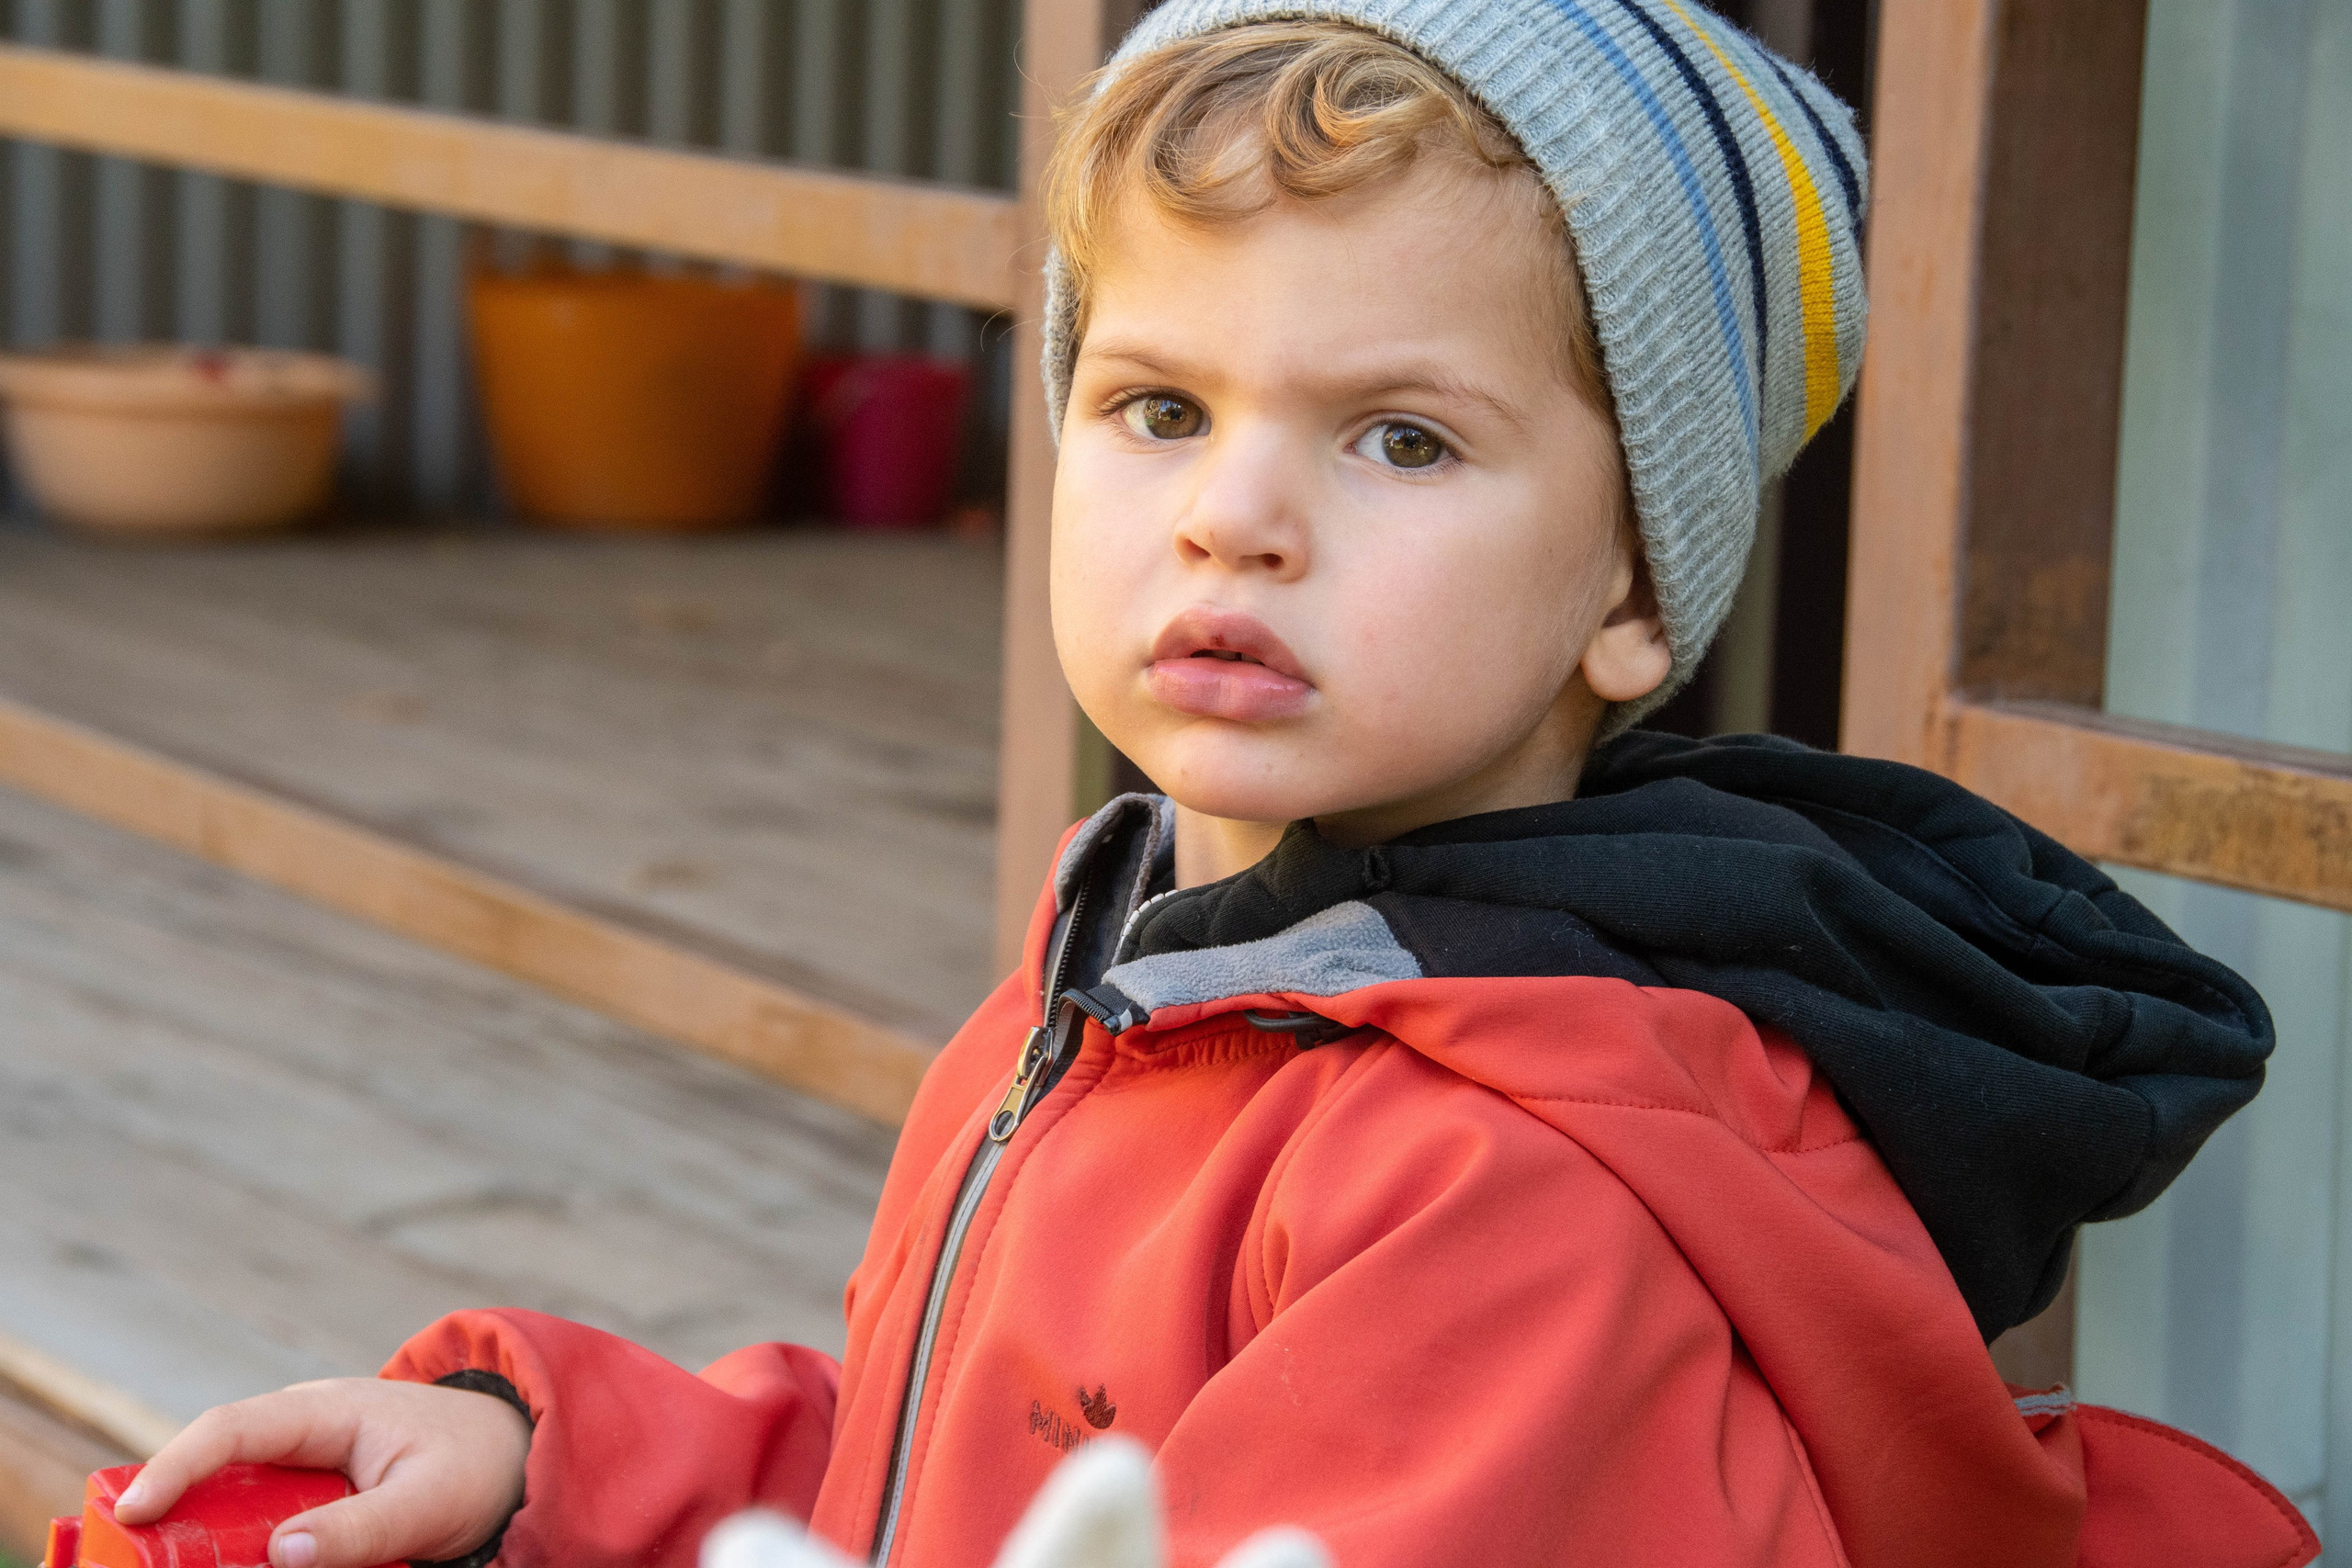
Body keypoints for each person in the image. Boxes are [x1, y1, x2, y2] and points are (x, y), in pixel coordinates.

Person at [114, 6, 2316, 1567]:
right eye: (1158, 405)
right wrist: (550, 1461)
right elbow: (959, 1479)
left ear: (1633, 589)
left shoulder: (1503, 1191)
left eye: (1400, 437)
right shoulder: (1147, 965)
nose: (1231, 516)